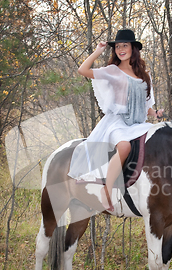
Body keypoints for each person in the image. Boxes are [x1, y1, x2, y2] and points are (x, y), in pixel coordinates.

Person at [68, 29, 164, 210]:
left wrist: (155, 113)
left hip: (137, 123)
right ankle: (107, 190)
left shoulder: (144, 75)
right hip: (117, 122)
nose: (121, 49)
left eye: (124, 46)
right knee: (124, 146)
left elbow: (146, 105)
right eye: (118, 46)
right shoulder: (112, 71)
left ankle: (144, 187)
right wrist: (98, 51)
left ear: (133, 48)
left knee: (156, 141)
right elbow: (83, 70)